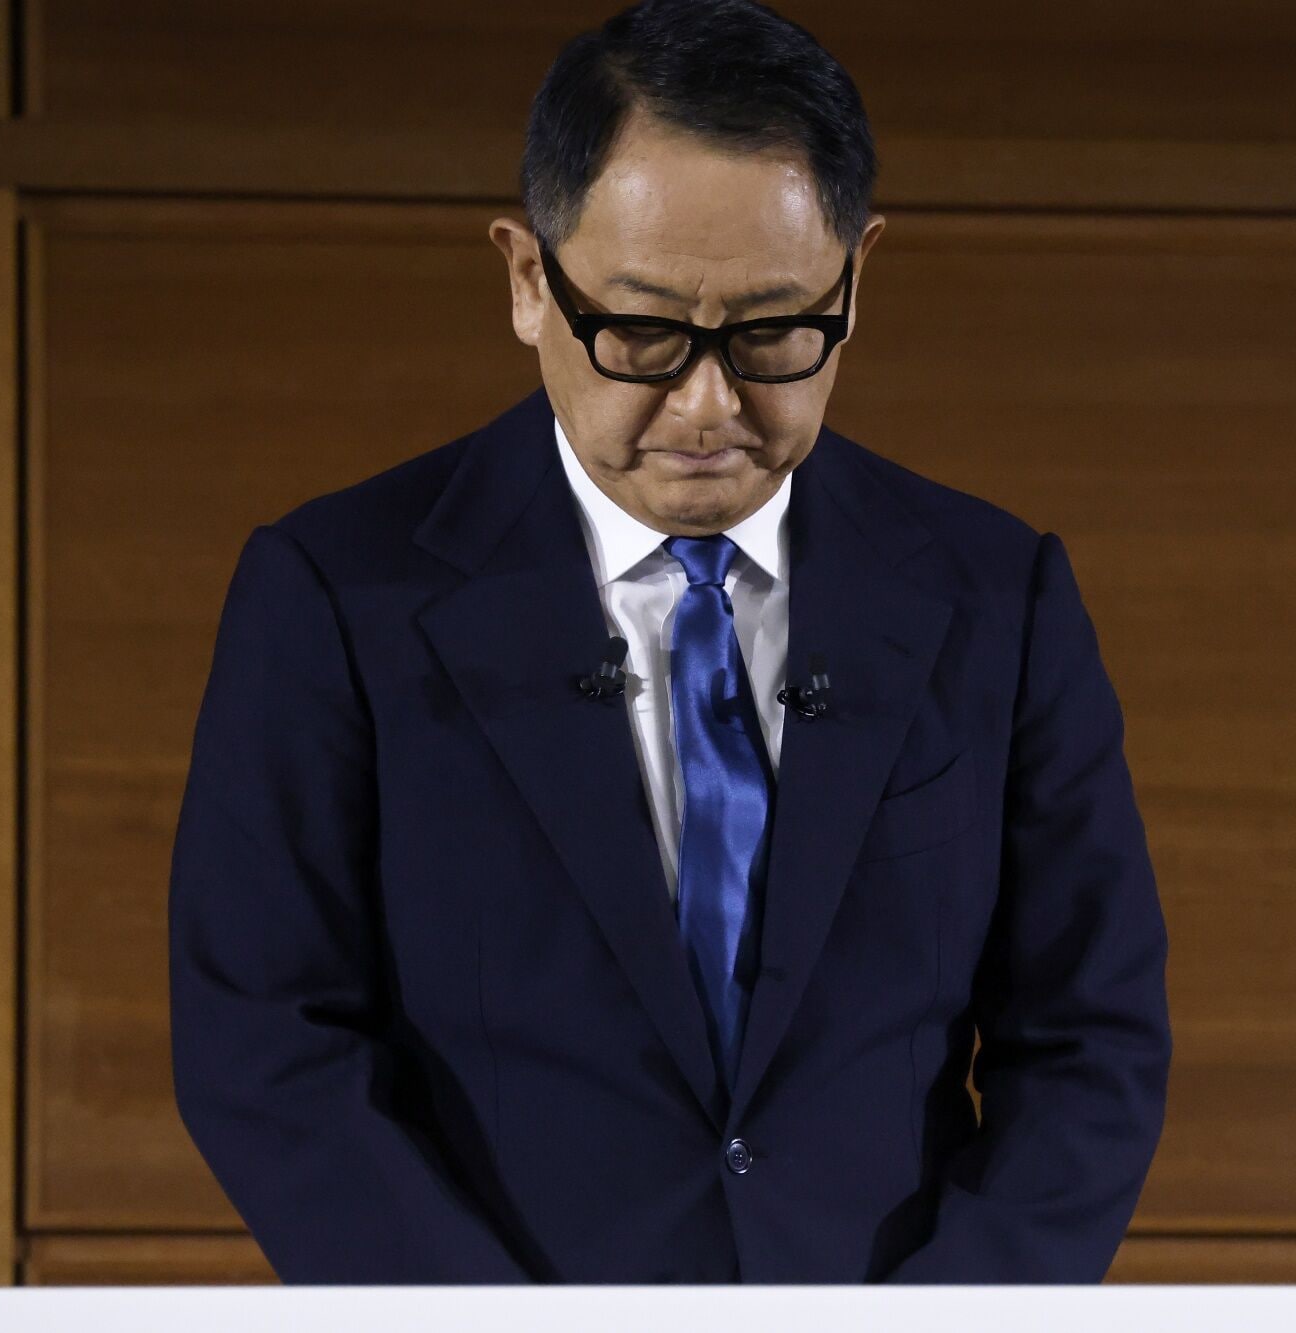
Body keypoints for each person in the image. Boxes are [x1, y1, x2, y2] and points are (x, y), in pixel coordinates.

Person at [167, 0, 1170, 1285]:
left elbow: (1088, 1038)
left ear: (855, 278)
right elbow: (264, 1043)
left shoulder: (996, 596)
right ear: (528, 279)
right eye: (640, 331)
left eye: (772, 331)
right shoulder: (333, 595)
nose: (706, 406)